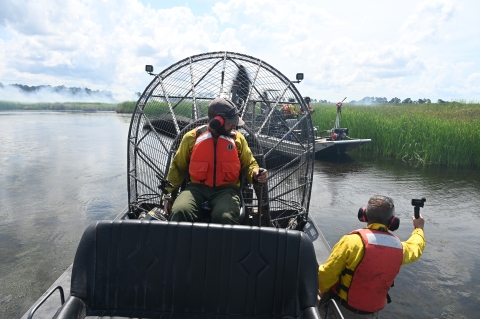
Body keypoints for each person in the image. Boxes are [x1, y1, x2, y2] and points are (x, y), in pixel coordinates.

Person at [318, 195, 426, 318]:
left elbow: (327, 274)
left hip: (340, 309)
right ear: (392, 221)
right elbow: (416, 247)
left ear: (363, 214)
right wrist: (419, 229)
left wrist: (319, 290)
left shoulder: (351, 242)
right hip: (371, 315)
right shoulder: (399, 248)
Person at [163, 97, 267, 225]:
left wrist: (255, 174)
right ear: (217, 122)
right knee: (179, 212)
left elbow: (249, 164)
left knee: (225, 217)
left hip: (227, 190)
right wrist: (168, 197)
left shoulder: (238, 139)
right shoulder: (190, 138)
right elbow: (176, 169)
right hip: (196, 189)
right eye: (230, 122)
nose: (234, 126)